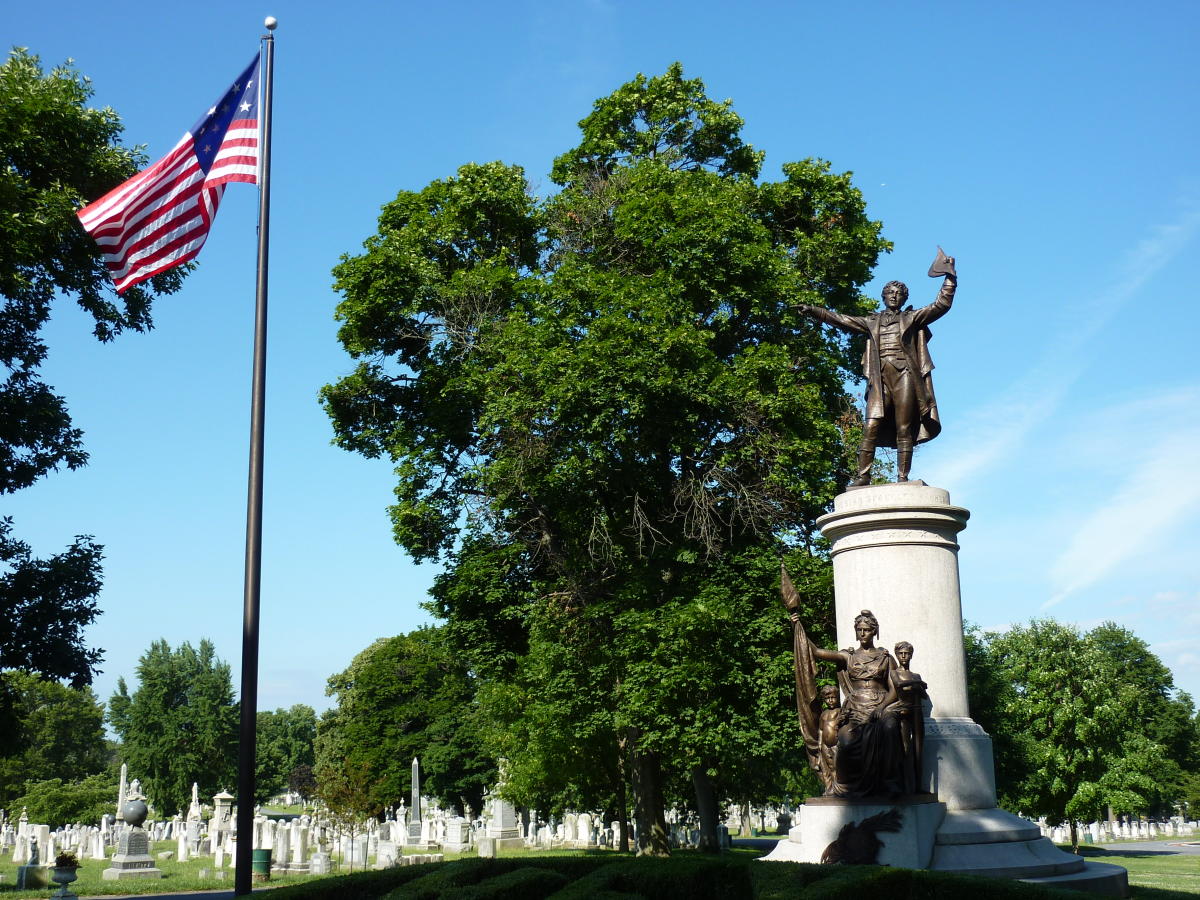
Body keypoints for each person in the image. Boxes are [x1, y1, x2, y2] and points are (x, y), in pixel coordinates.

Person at [795, 254, 956, 485]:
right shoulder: (871, 321)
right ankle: (862, 476)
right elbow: (842, 320)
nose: (894, 295)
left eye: (898, 293)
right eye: (890, 292)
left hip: (905, 374)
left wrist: (950, 278)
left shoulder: (912, 318)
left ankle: (902, 477)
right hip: (880, 378)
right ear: (883, 296)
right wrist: (814, 310)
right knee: (871, 425)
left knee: (904, 427)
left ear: (904, 297)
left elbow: (941, 305)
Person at [792, 608, 905, 797]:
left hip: (882, 704)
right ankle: (843, 787)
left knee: (890, 728)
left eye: (867, 630)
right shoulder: (848, 656)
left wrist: (882, 707)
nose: (862, 633)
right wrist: (797, 626)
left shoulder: (886, 658)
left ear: (874, 631)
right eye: (859, 629)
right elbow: (816, 652)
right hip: (856, 707)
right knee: (845, 739)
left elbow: (894, 689)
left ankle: (889, 782)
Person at [889, 641, 928, 794]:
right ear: (897, 655)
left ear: (911, 655)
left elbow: (923, 695)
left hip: (917, 713)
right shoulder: (895, 672)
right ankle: (905, 786)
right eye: (901, 653)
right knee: (905, 749)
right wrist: (917, 683)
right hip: (903, 713)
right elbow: (898, 685)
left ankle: (918, 786)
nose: (904, 656)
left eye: (907, 653)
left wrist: (915, 685)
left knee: (919, 750)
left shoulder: (915, 674)